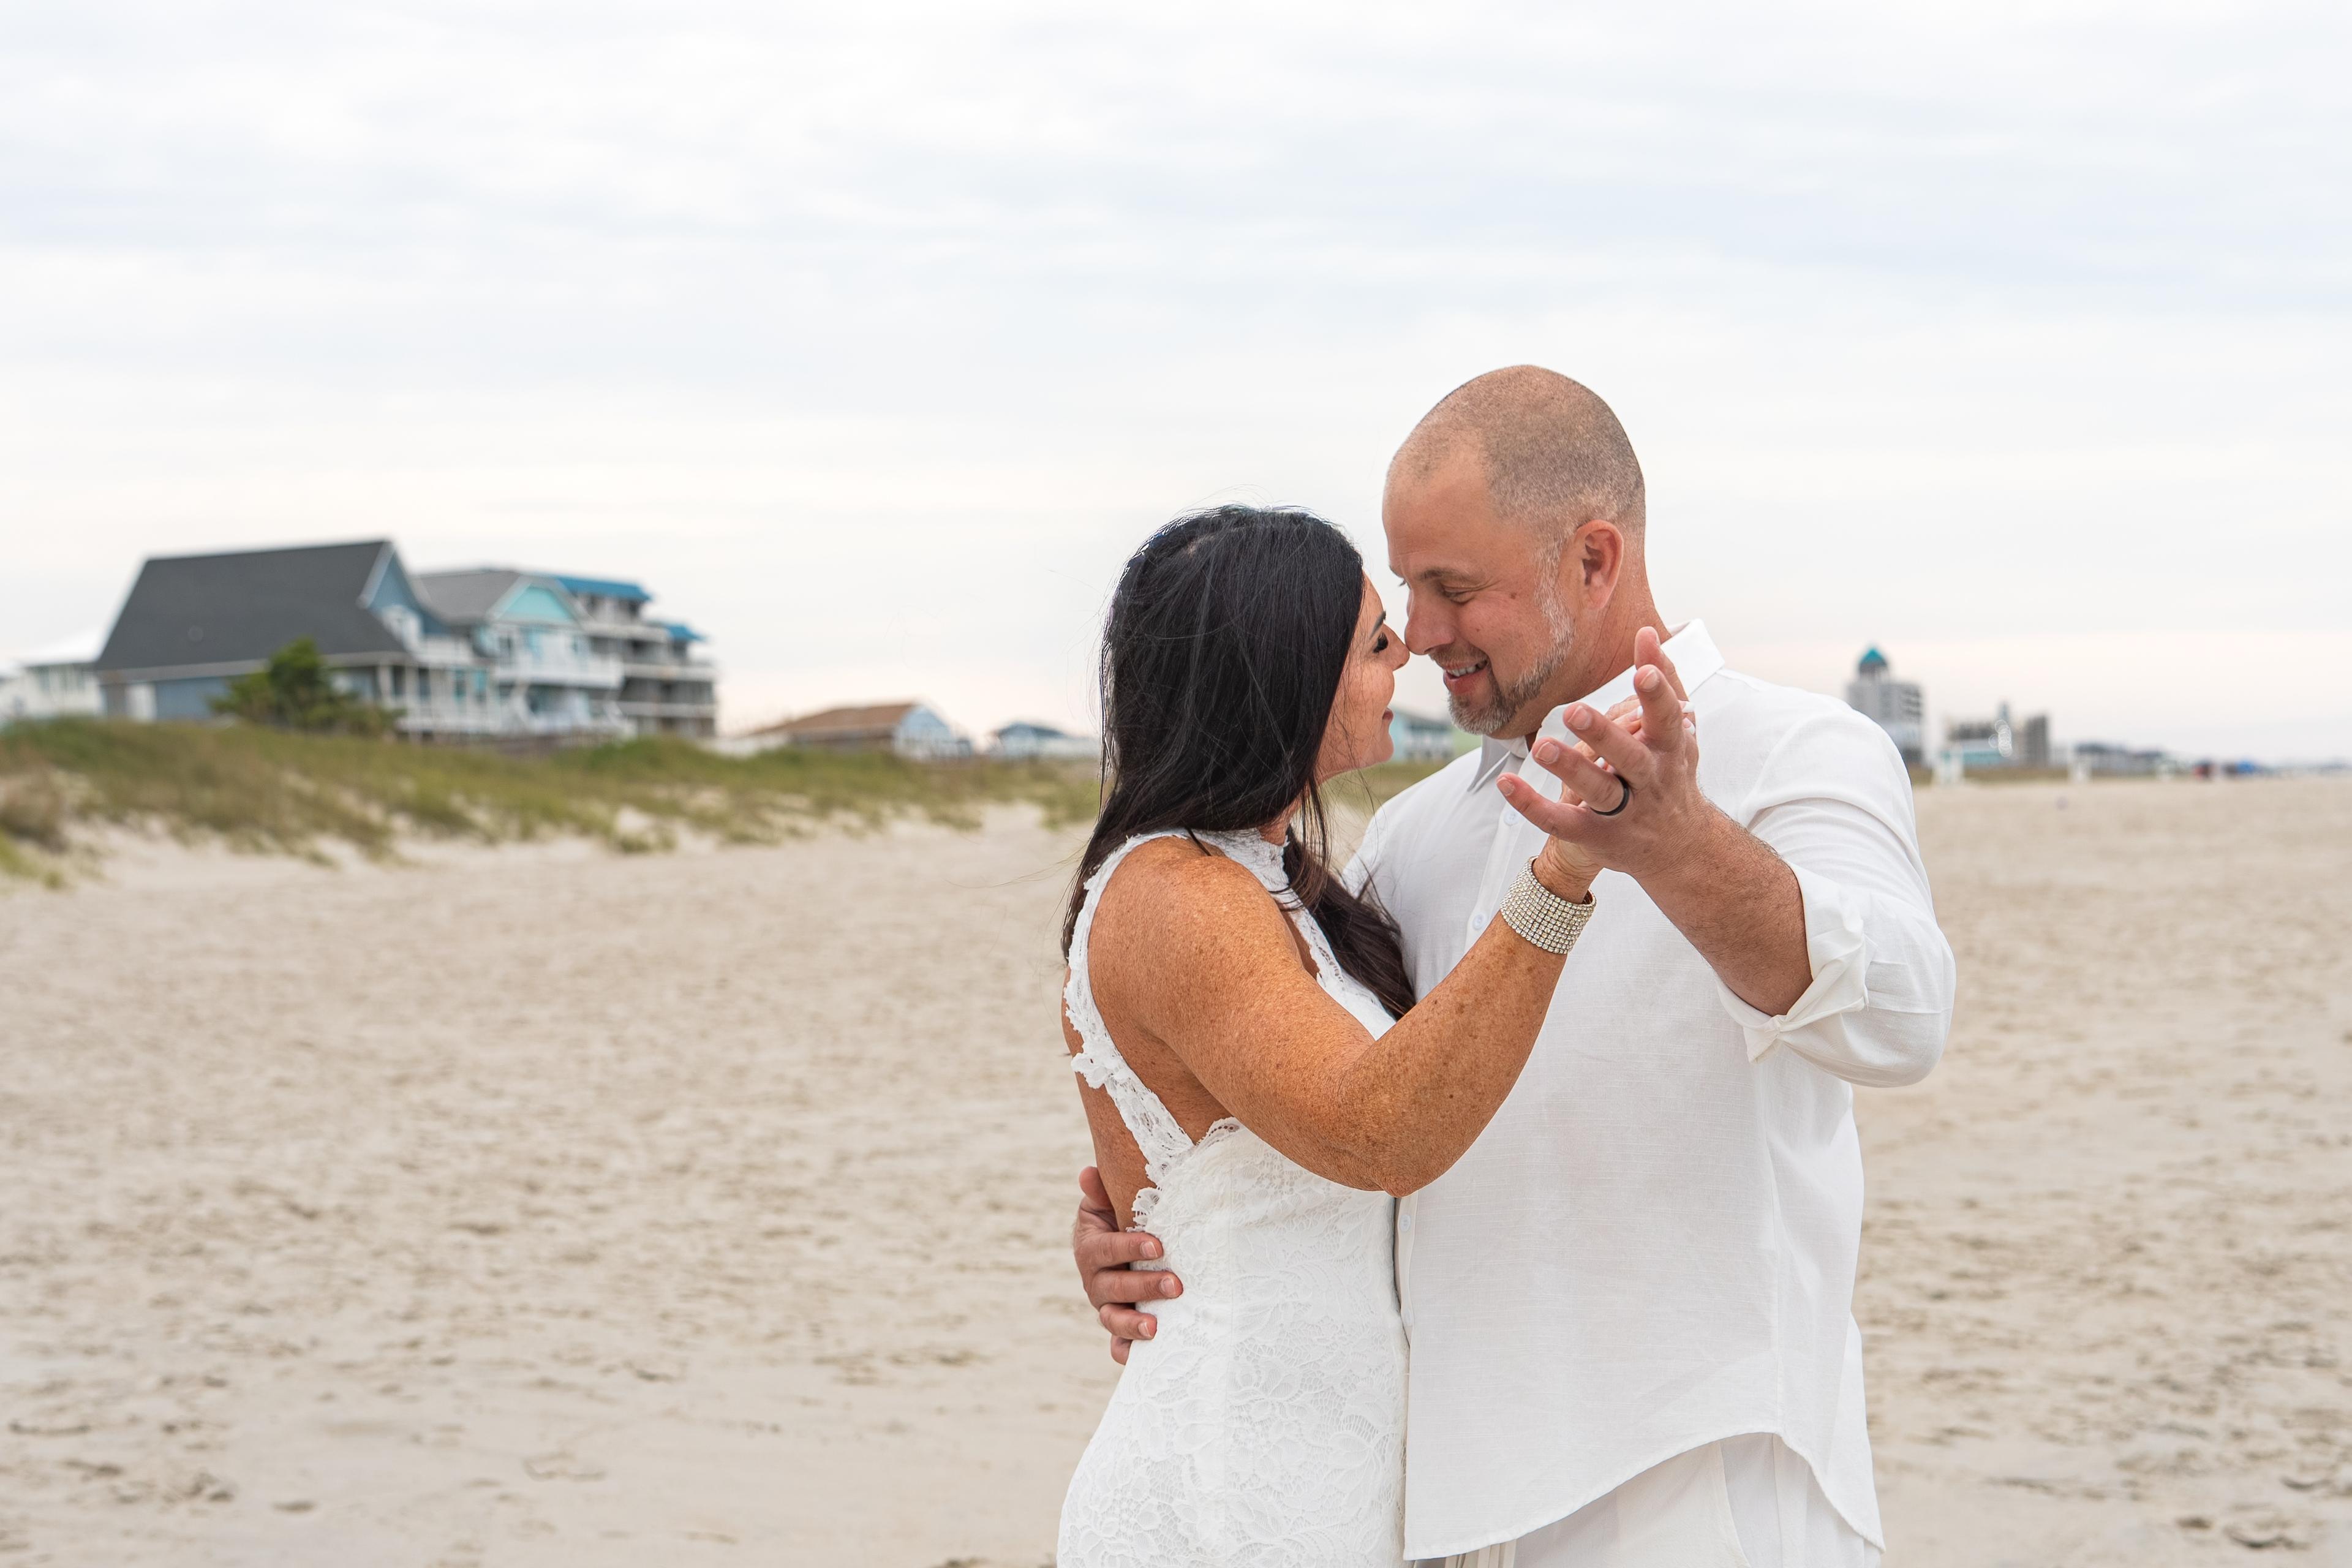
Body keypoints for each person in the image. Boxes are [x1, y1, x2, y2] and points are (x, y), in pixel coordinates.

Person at [1074, 368, 1958, 1568]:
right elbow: (1299, 1084)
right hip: (1433, 1501)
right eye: (1406, 591)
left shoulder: (1797, 751)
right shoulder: (1415, 831)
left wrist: (1683, 848)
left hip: (1692, 1478)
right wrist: (1155, 1221)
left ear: (1593, 560)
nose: (1421, 632)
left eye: (1453, 589)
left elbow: (1904, 1017)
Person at [1056, 503, 1614, 1567]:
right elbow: (1379, 1131)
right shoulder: (1178, 895)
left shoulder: (1272, 880)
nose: (1407, 651)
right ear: (1283, 675)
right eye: (1373, 640)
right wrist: (1564, 876)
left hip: (1317, 1477)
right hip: (1234, 1490)